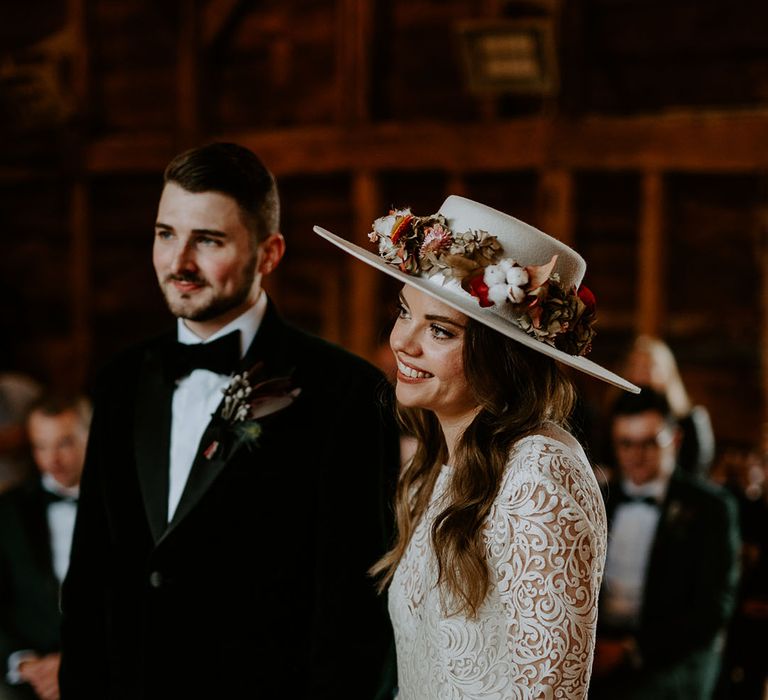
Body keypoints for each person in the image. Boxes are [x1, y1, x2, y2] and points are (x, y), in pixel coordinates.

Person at [59, 143, 399, 699]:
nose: (178, 263)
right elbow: (92, 573)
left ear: (269, 254)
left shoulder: (347, 393)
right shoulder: (120, 381)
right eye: (165, 234)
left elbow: (352, 610)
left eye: (208, 240)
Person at [314, 196, 639, 698]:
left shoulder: (540, 470)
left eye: (440, 330)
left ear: (504, 359)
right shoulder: (439, 467)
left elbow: (550, 693)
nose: (404, 342)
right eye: (405, 313)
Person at [591, 388, 740, 700]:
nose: (635, 454)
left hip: (672, 652)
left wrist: (633, 649)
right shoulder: (598, 498)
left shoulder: (711, 507)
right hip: (599, 643)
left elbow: (714, 608)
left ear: (674, 439)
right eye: (626, 443)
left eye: (649, 442)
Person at [0, 394, 90, 700]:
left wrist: (79, 662)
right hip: (29, 675)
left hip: (105, 666)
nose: (51, 460)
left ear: (89, 435)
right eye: (40, 446)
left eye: (64, 443)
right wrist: (23, 662)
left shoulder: (124, 504)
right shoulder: (8, 510)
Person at [619, 335, 716, 476]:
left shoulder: (691, 419)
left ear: (666, 371)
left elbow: (697, 469)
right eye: (634, 366)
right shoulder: (618, 413)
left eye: (648, 367)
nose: (639, 374)